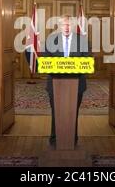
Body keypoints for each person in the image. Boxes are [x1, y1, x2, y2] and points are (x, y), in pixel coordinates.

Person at [42, 15, 91, 147]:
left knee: (72, 111)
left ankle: (72, 140)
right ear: (60, 26)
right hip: (55, 83)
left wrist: (68, 67)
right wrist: (64, 67)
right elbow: (46, 61)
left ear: (73, 26)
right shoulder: (51, 40)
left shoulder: (83, 41)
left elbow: (87, 61)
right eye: (64, 25)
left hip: (77, 84)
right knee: (56, 111)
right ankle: (54, 139)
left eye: (69, 25)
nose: (67, 27)